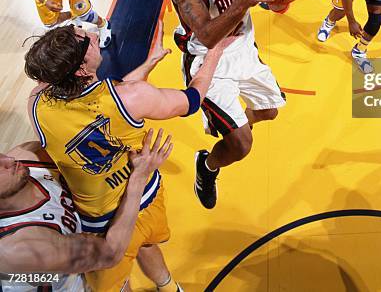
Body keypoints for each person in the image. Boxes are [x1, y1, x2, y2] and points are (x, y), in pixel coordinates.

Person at [25, 20, 230, 291]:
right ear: (81, 69)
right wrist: (215, 52)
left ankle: (167, 285)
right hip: (130, 208)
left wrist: (149, 63)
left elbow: (109, 98)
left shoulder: (36, 102)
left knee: (145, 245)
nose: (92, 35)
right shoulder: (132, 97)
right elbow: (193, 99)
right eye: (85, 39)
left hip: (94, 216)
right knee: (119, 281)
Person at [167, 0, 286, 210]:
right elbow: (206, 35)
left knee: (270, 110)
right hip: (210, 63)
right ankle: (207, 168)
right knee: (242, 145)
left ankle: (232, 127)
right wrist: (243, 3)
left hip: (244, 50)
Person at [0, 129, 172, 292]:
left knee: (139, 233)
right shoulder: (21, 247)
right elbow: (110, 254)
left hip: (87, 245)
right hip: (82, 275)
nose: (8, 160)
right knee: (116, 283)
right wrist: (138, 179)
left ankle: (168, 286)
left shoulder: (27, 156)